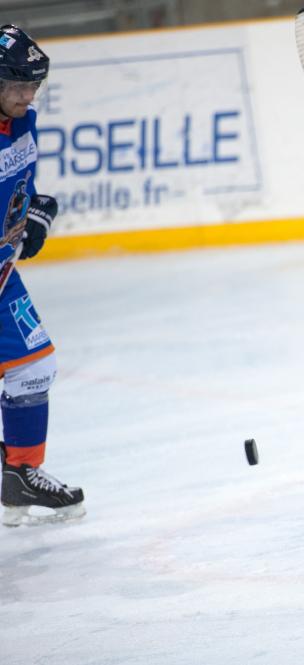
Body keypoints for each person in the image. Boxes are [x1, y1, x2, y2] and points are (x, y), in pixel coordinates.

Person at [0, 25, 79, 527]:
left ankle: (20, 474)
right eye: (18, 85)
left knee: (33, 367)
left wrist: (36, 213)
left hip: (2, 275)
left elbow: (21, 188)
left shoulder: (23, 121)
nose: (28, 96)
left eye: (34, 85)